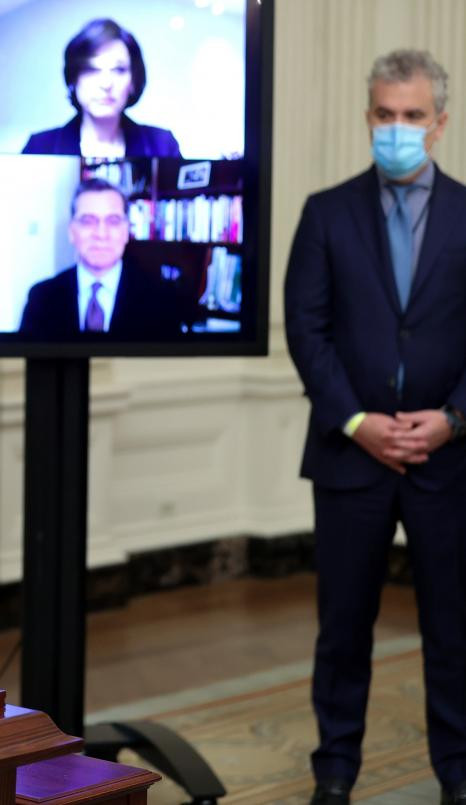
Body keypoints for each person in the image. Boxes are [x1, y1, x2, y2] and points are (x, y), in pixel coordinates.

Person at [284, 50, 466, 805]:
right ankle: (335, 769)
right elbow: (306, 329)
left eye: (412, 116)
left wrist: (454, 419)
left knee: (454, 629)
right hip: (350, 456)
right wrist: (357, 421)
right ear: (368, 119)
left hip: (449, 459)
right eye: (385, 115)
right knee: (343, 627)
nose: (397, 129)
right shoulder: (326, 213)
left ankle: (458, 772)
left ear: (439, 123)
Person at [19, 178, 178, 339]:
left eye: (113, 221)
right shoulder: (42, 297)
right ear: (72, 231)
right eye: (88, 221)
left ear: (126, 232)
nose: (101, 234)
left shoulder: (161, 298)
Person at [23, 19, 180, 158]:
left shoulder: (162, 145)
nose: (106, 84)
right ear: (74, 78)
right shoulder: (39, 147)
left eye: (119, 70)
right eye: (92, 70)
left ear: (133, 80)